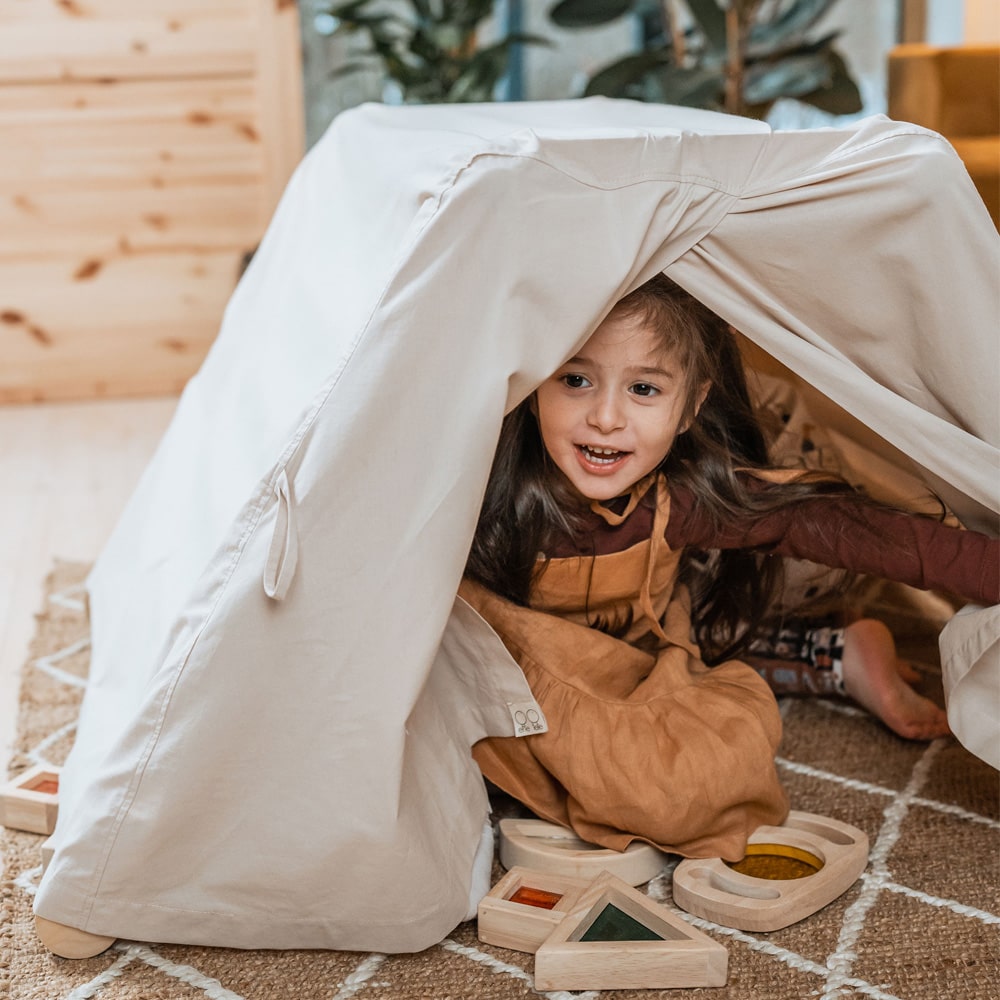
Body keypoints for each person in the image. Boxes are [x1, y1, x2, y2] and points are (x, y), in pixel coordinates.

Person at [460, 273, 998, 861]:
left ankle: (832, 653)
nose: (606, 417)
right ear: (533, 384)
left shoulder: (681, 498)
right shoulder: (483, 493)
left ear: (690, 407)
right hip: (517, 675)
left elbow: (836, 527)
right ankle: (833, 654)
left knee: (698, 750)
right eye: (576, 380)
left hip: (640, 654)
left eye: (643, 389)